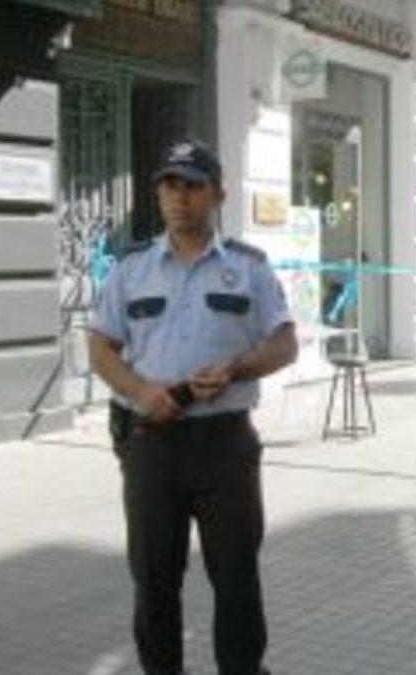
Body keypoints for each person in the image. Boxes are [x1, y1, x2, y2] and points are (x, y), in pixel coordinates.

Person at [89, 139, 297, 675]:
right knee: (154, 580)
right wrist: (142, 393)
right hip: (153, 443)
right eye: (170, 185)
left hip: (225, 445)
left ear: (218, 195)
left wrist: (236, 370)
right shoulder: (131, 268)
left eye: (193, 186)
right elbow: (100, 347)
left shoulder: (249, 267)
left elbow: (284, 343)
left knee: (236, 578)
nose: (180, 197)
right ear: (158, 194)